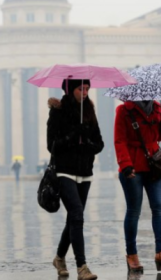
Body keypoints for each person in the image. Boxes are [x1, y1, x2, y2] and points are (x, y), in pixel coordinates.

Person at [47, 79, 104, 280]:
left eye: (88, 88)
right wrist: (73, 136)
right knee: (77, 215)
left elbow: (99, 144)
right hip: (64, 171)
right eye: (81, 88)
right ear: (71, 90)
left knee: (73, 218)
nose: (85, 92)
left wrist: (87, 142)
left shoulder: (89, 111)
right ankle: (82, 267)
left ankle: (60, 258)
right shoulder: (58, 110)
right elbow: (51, 145)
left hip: (85, 171)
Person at [114, 100, 161, 273]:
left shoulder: (157, 107)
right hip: (132, 166)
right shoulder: (124, 110)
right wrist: (125, 164)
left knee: (159, 207)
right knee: (134, 211)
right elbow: (119, 140)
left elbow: (158, 136)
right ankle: (132, 254)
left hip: (154, 165)